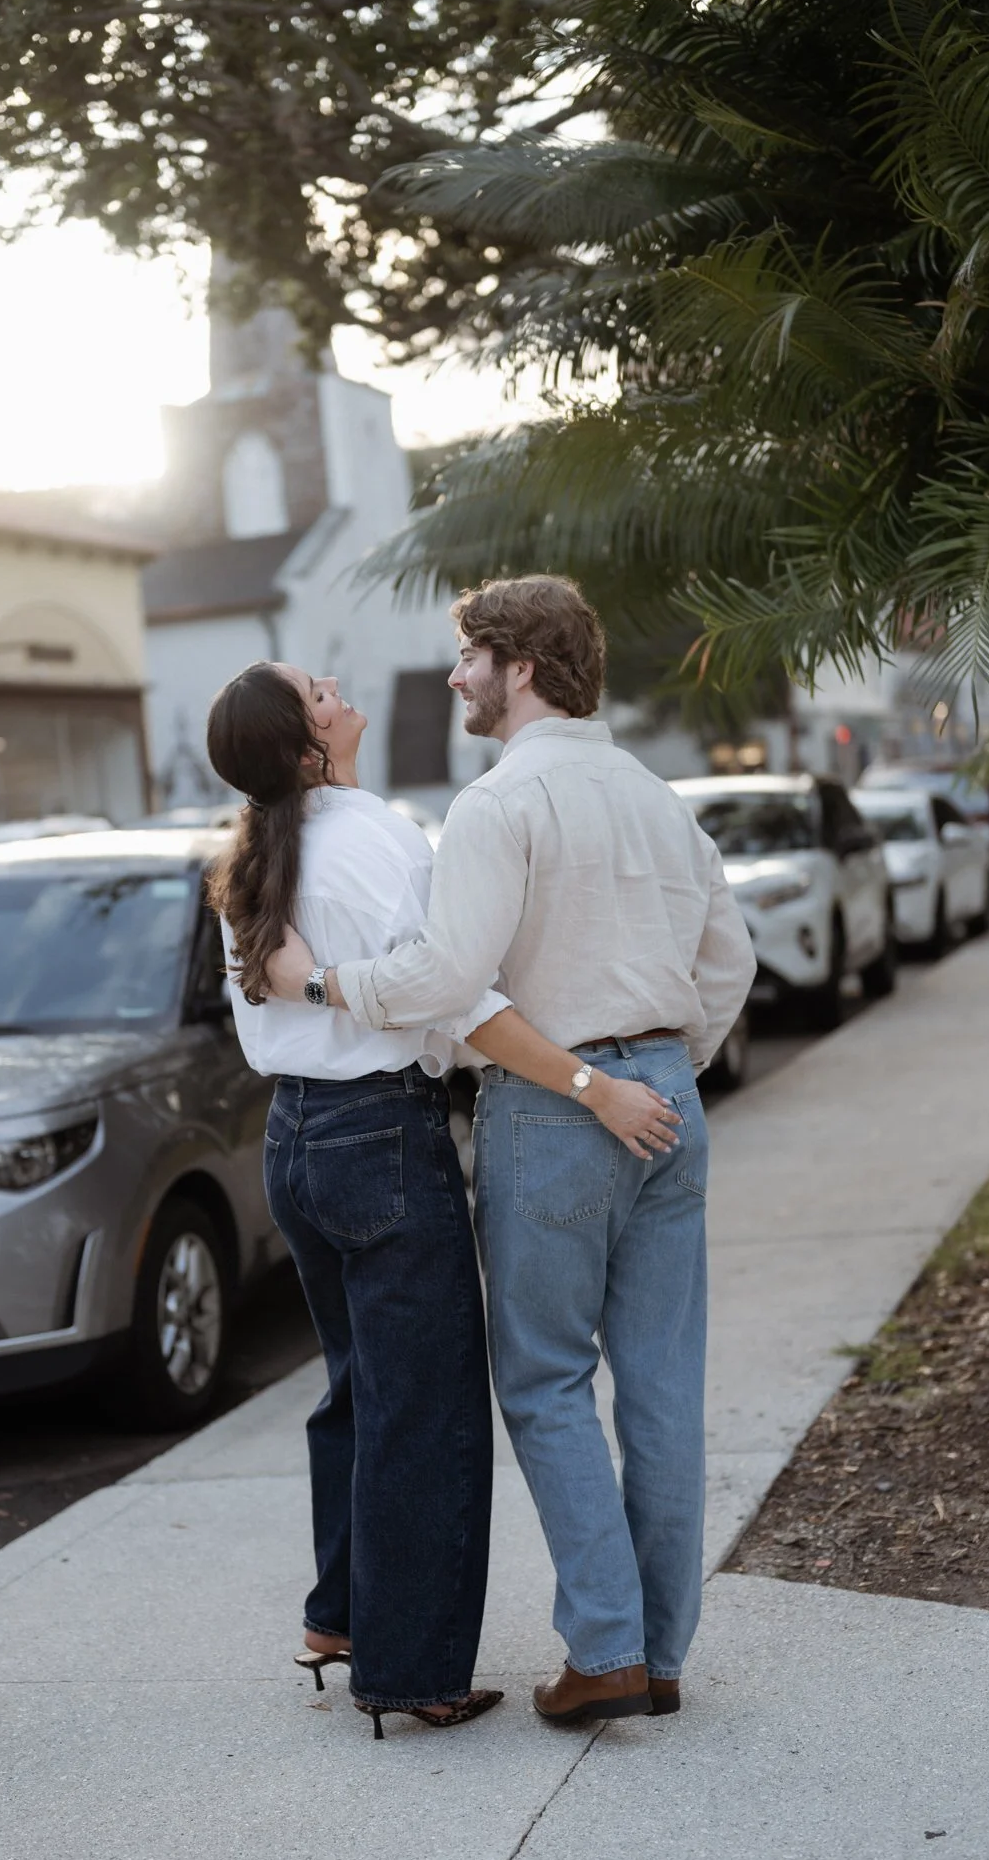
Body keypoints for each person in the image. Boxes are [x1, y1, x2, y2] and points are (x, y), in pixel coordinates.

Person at [267, 578, 756, 1724]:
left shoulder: (499, 804)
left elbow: (444, 982)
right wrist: (665, 1064)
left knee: (541, 1383)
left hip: (554, 1112)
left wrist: (322, 980)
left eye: (470, 657)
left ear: (520, 667)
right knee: (664, 1389)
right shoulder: (657, 796)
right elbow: (726, 961)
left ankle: (609, 1647)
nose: (455, 678)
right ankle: (659, 1653)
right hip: (669, 1101)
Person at [205, 658, 678, 1739]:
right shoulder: (365, 835)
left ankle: (346, 1614)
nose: (333, 680)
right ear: (306, 743)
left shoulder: (251, 856)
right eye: (313, 688)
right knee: (427, 1405)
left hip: (298, 1138)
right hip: (377, 1133)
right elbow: (456, 995)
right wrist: (590, 1082)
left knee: (363, 1388)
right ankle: (413, 1671)